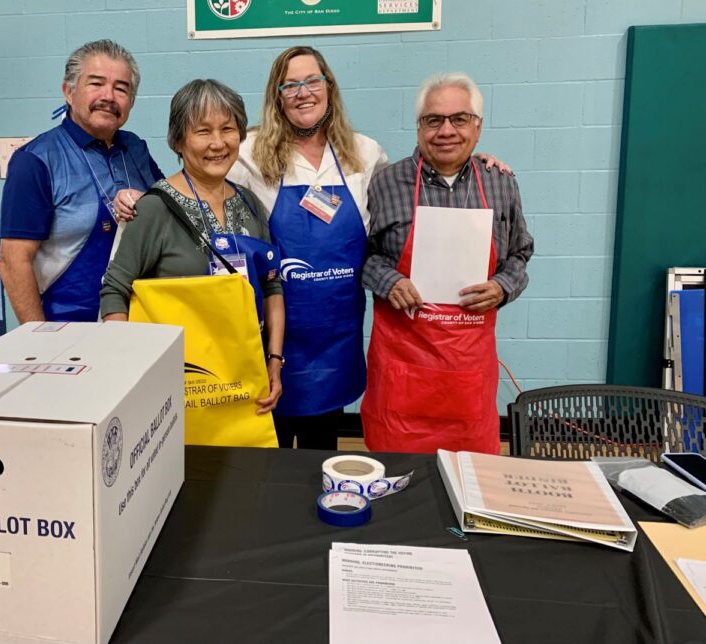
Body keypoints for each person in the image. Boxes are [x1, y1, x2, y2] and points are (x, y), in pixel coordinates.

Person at [228, 46, 511, 450]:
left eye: (312, 80)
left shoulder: (363, 153)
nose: (302, 92)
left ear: (329, 87)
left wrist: (469, 165)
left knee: (318, 454)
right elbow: (204, 173)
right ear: (277, 96)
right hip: (271, 331)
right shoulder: (249, 153)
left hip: (335, 335)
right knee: (267, 452)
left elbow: (412, 194)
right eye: (290, 85)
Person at [362, 72, 534, 455]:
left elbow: (521, 253)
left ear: (478, 127)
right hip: (402, 371)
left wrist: (503, 286)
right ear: (419, 127)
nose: (446, 131)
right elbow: (361, 254)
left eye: (459, 119)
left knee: (470, 479)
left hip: (467, 376)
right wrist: (387, 280)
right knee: (397, 474)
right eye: (433, 120)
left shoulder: (500, 183)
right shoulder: (385, 184)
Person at [101, 79, 284, 414]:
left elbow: (272, 285)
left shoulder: (251, 205)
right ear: (179, 141)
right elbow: (114, 288)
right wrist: (127, 366)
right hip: (176, 386)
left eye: (228, 128)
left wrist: (273, 362)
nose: (218, 143)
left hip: (241, 381)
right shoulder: (155, 208)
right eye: (203, 131)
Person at [0, 39, 163, 323]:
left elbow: (167, 217)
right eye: (96, 84)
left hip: (140, 322)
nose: (109, 96)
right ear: (68, 91)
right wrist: (39, 337)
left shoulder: (136, 149)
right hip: (68, 328)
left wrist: (148, 202)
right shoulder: (36, 160)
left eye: (121, 88)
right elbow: (13, 261)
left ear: (132, 102)